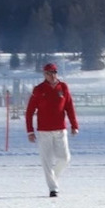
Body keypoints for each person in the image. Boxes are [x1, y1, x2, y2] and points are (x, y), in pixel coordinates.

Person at [26, 62, 79, 197]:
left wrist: (74, 125)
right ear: (45, 74)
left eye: (54, 72)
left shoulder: (63, 87)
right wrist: (30, 131)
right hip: (44, 131)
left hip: (60, 129)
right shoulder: (39, 89)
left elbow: (69, 107)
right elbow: (30, 111)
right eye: (49, 73)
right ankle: (53, 188)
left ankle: (53, 175)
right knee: (47, 160)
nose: (52, 75)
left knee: (65, 158)